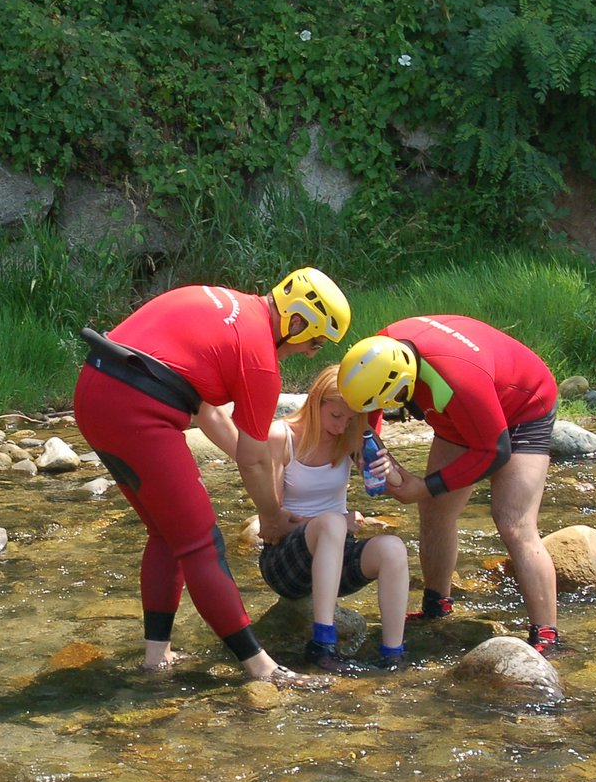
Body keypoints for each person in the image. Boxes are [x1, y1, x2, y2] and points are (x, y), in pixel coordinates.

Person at [72, 267, 351, 688]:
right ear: (296, 321)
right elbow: (255, 460)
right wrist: (272, 517)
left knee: (167, 532)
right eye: (316, 341)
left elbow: (213, 415)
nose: (313, 353)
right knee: (202, 540)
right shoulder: (260, 359)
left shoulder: (222, 302)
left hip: (93, 390)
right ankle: (262, 669)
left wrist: (264, 475)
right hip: (134, 409)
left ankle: (156, 658)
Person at [337, 315, 561, 653]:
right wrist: (376, 458)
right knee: (434, 512)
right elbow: (365, 420)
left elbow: (493, 453)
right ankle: (436, 606)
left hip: (523, 408)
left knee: (513, 522)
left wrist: (422, 486)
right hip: (465, 410)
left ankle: (547, 635)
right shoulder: (376, 353)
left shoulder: (458, 379)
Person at [205, 364, 413, 671]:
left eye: (351, 419)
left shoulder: (354, 436)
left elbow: (396, 488)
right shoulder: (281, 436)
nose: (342, 426)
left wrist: (389, 474)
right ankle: (322, 644)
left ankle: (392, 655)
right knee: (330, 523)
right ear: (316, 402)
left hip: (335, 557)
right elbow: (273, 523)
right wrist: (338, 521)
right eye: (336, 416)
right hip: (286, 560)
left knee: (393, 547)